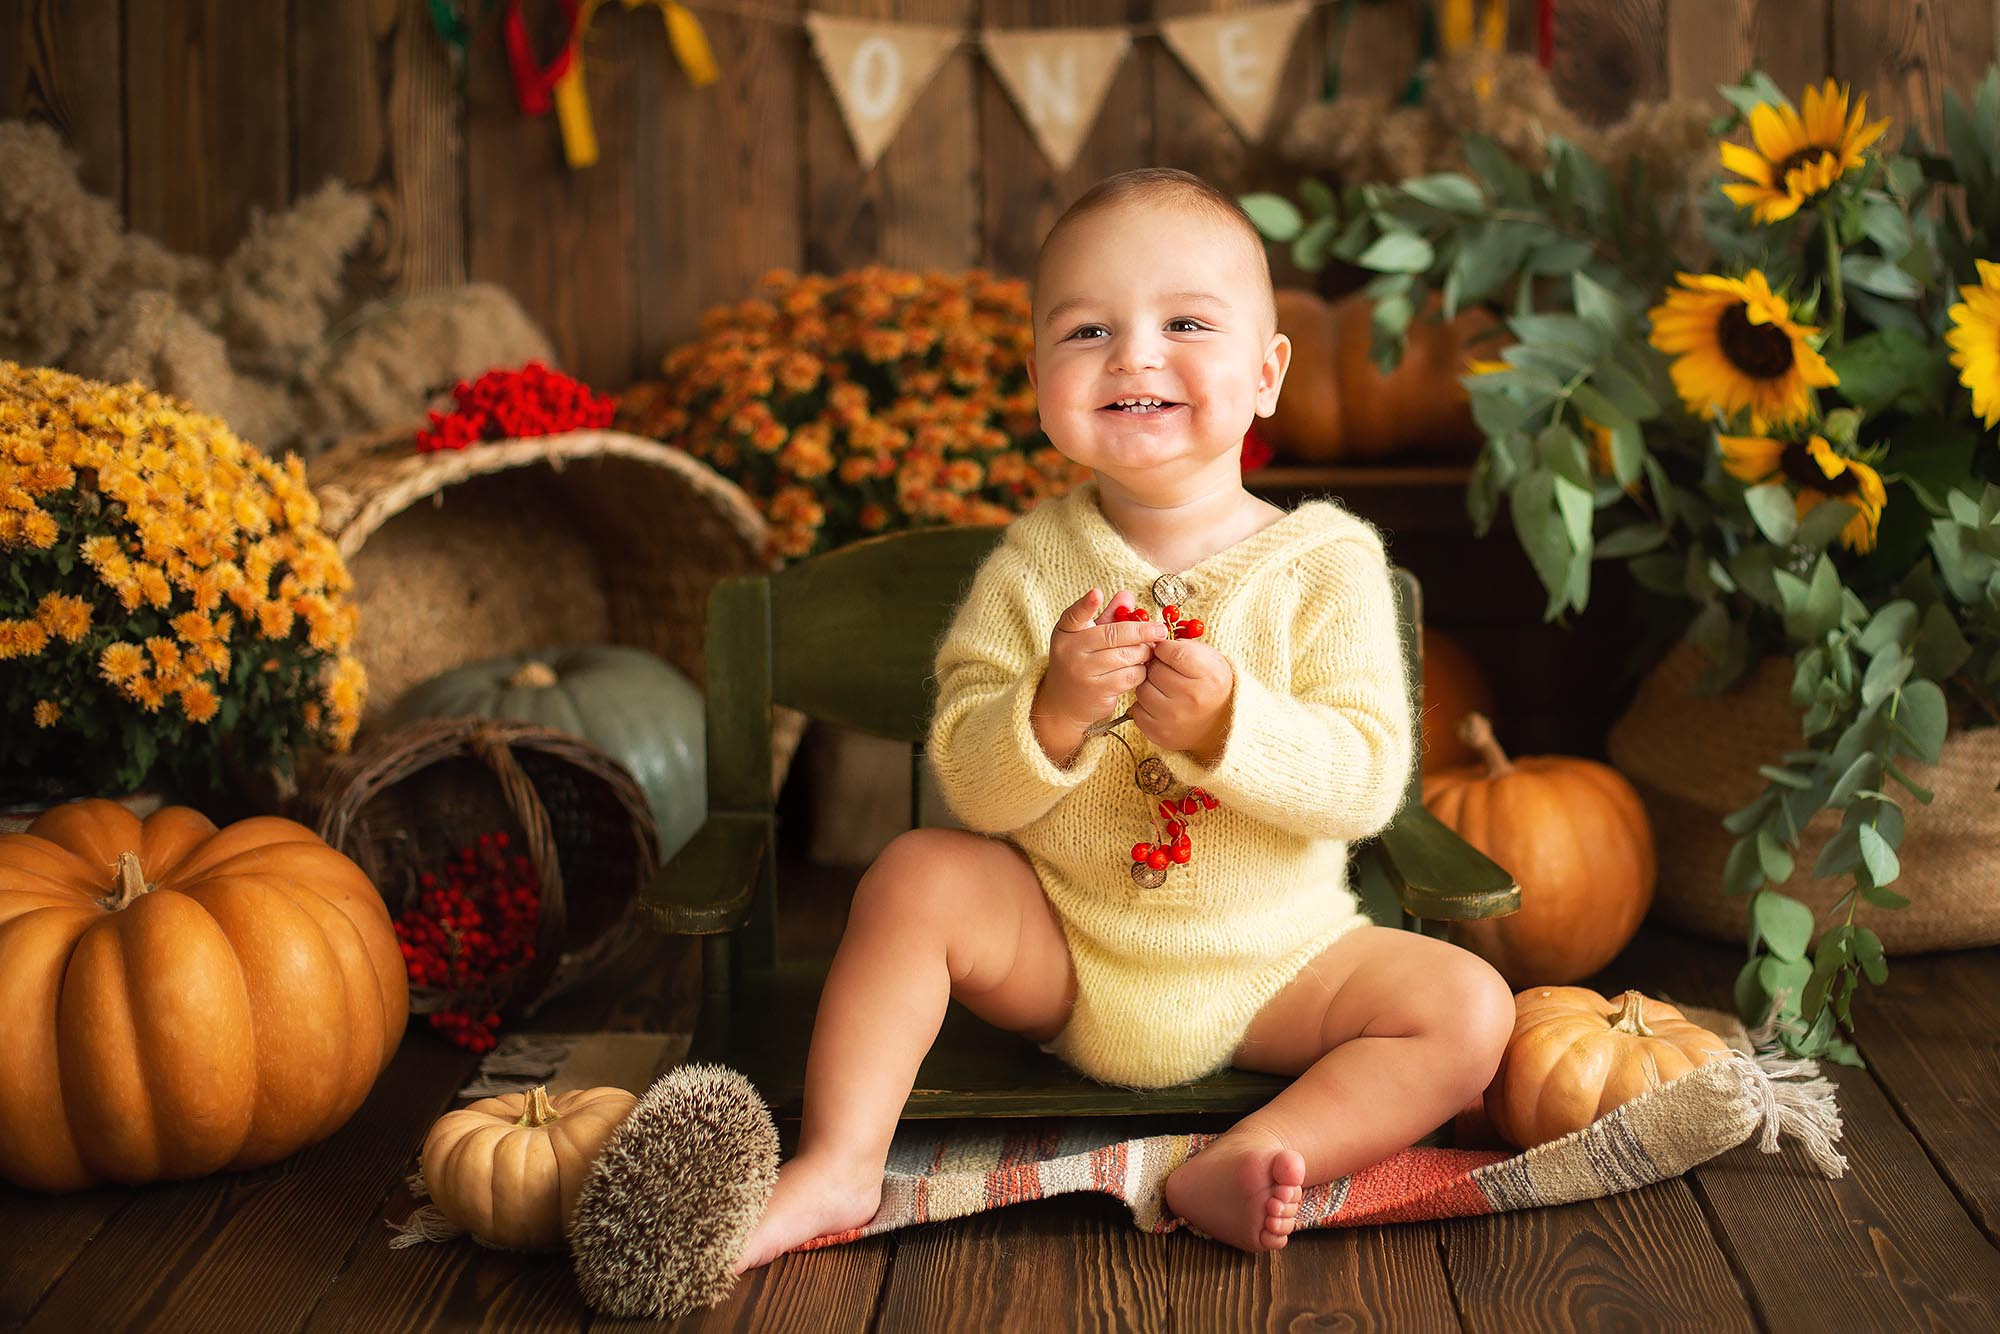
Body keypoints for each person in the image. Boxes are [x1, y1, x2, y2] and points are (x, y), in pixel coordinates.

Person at [732, 167, 1515, 1270]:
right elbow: (969, 782)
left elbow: (1367, 780)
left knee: (1470, 1007)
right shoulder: (1031, 565)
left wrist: (1231, 725)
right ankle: (841, 1160)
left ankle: (1252, 1153)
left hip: (1281, 963)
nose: (1134, 356)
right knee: (913, 874)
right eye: (1087, 329)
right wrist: (1049, 711)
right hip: (1067, 949)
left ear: (1266, 373)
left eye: (1185, 324)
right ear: (1038, 379)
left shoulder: (1325, 563)